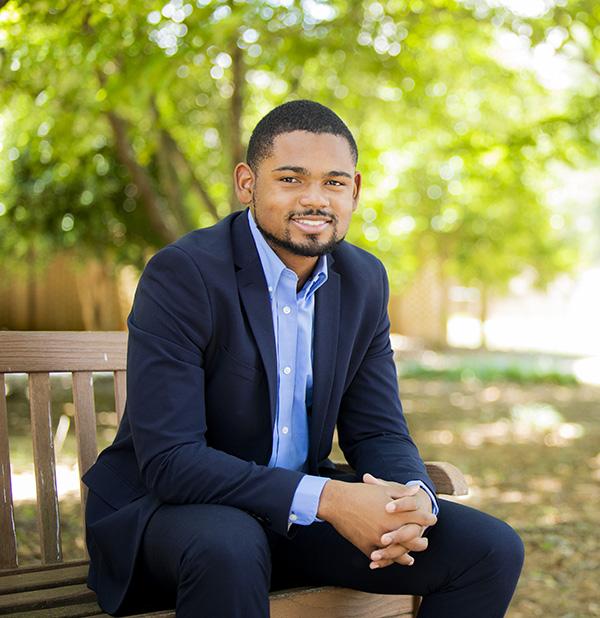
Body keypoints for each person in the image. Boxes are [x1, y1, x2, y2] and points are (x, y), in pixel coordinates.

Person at [83, 99, 524, 617]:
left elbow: (378, 431)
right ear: (247, 183)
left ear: (354, 190)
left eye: (334, 182)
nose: (315, 199)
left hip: (291, 518)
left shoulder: (362, 281)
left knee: (490, 550)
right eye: (291, 179)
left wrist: (411, 499)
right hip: (172, 516)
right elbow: (170, 461)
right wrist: (330, 500)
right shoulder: (184, 274)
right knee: (230, 544)